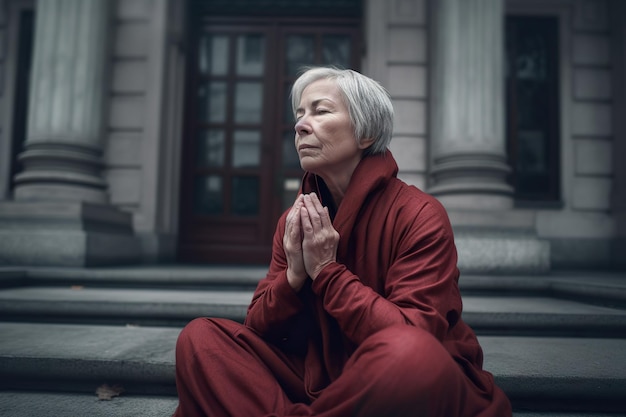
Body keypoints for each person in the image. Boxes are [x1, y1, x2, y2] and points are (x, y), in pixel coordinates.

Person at [173, 67, 512, 417]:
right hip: (311, 375)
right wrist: (294, 277)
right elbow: (258, 329)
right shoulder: (294, 221)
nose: (300, 126)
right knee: (201, 339)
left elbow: (413, 333)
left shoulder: (419, 213)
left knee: (412, 354)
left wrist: (327, 272)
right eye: (300, 115)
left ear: (365, 133)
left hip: (392, 375)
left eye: (320, 111)